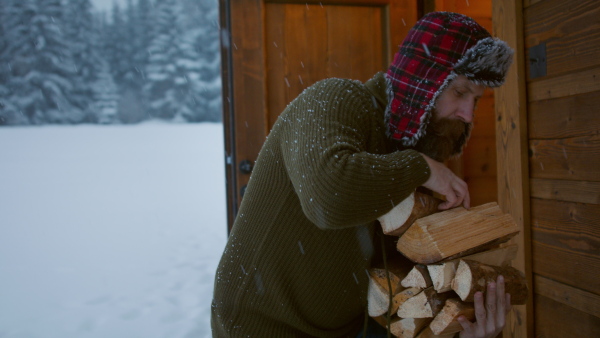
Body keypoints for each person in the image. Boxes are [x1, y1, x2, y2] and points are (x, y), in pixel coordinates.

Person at [211, 11, 514, 338]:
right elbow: (328, 198)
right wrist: (421, 168)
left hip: (352, 328)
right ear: (423, 81)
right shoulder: (335, 99)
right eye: (460, 92)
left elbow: (403, 287)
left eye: (476, 100)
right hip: (264, 327)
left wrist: (468, 331)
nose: (468, 114)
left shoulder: (413, 159)